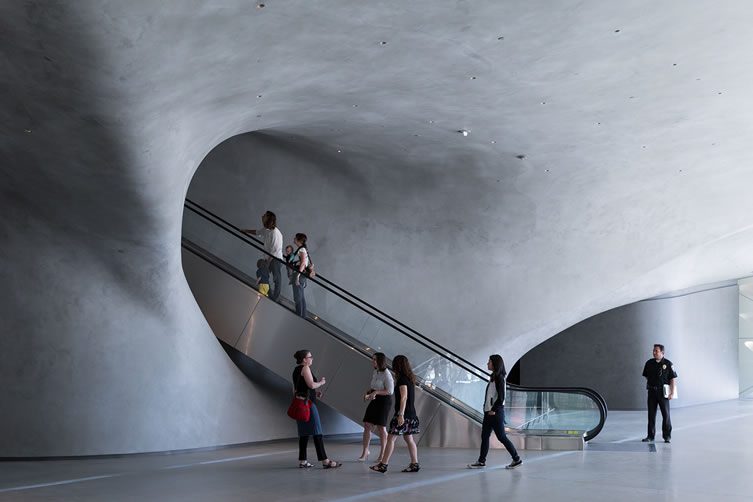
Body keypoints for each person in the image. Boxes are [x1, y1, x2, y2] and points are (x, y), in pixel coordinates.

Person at [467, 354, 522, 469]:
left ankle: (516, 459)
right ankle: (481, 461)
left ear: (495, 364)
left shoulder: (499, 378)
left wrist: (493, 410)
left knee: (501, 437)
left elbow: (501, 397)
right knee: (485, 436)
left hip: (495, 413)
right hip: (489, 413)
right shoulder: (493, 377)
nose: (488, 363)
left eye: (489, 362)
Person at [292, 349, 341, 469]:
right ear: (304, 359)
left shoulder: (295, 370)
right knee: (317, 432)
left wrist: (315, 393)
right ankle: (325, 461)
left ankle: (303, 461)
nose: (312, 358)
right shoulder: (305, 368)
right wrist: (321, 382)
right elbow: (311, 385)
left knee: (303, 434)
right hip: (308, 404)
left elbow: (297, 388)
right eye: (310, 357)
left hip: (299, 403)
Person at [370, 355, 420, 473]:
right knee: (409, 438)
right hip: (411, 414)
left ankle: (383, 464)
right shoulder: (409, 379)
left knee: (391, 438)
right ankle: (414, 463)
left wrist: (401, 414)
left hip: (404, 415)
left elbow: (404, 397)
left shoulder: (402, 379)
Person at [358, 352, 394, 463]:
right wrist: (369, 392)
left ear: (380, 361)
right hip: (375, 399)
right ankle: (365, 452)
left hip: (384, 402)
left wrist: (376, 392)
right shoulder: (376, 372)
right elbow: (374, 387)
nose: (372, 361)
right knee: (367, 425)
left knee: (381, 428)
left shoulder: (387, 374)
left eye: (374, 359)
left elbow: (390, 391)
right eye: (372, 359)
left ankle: (383, 453)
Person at [242, 211, 283, 301]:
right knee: (263, 274)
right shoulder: (266, 230)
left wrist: (267, 262)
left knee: (276, 279)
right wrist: (246, 231)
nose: (262, 216)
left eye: (264, 215)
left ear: (268, 218)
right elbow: (257, 232)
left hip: (275, 259)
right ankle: (268, 294)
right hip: (268, 257)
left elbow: (274, 251)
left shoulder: (275, 233)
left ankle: (275, 299)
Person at [642, 344, 677, 443]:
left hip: (663, 393)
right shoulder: (649, 363)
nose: (654, 352)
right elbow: (646, 376)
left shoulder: (668, 364)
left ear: (662, 352)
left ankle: (667, 436)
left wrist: (672, 392)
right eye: (653, 350)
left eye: (656, 351)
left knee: (666, 415)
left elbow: (672, 379)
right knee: (651, 415)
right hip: (652, 392)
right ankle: (650, 436)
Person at [290, 233, 309, 318]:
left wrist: (297, 276)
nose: (294, 239)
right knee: (301, 296)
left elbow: (303, 263)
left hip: (300, 275)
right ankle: (303, 315)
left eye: (295, 238)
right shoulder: (303, 249)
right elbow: (303, 262)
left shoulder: (302, 250)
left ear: (299, 240)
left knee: (298, 296)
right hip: (302, 275)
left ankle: (299, 315)